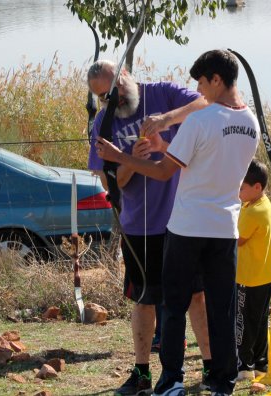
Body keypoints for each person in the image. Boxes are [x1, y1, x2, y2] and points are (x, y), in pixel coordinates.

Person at [96, 49, 259, 396]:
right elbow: (204, 159)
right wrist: (164, 142)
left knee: (172, 307)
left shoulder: (200, 121)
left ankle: (171, 379)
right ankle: (222, 381)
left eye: (202, 82)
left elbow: (161, 170)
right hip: (224, 228)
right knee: (221, 307)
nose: (200, 90)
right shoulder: (250, 123)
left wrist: (118, 156)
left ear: (216, 80)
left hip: (186, 229)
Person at [87, 59, 211, 396]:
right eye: (103, 98)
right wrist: (132, 158)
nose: (113, 102)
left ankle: (211, 366)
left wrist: (167, 119)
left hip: (185, 219)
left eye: (114, 92)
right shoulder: (103, 123)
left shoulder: (163, 93)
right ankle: (141, 372)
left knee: (197, 295)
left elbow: (206, 101)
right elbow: (113, 185)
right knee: (144, 299)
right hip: (140, 226)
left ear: (125, 75)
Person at [235, 159, 271, 381]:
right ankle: (262, 363)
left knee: (242, 321)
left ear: (257, 187)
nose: (238, 191)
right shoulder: (263, 203)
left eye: (241, 187)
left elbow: (238, 240)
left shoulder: (251, 213)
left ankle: (243, 366)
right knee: (260, 320)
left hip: (248, 277)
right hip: (265, 274)